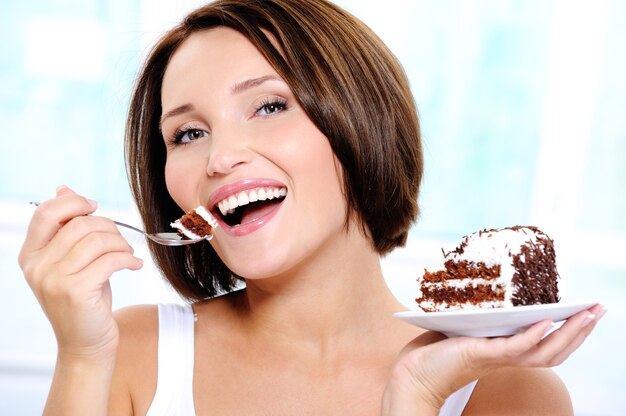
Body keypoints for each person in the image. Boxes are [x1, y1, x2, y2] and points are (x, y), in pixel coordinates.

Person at [19, 0, 605, 414]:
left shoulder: (507, 394)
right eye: (188, 134)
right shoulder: (128, 355)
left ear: (362, 122)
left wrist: (417, 396)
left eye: (270, 106)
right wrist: (82, 356)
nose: (220, 158)